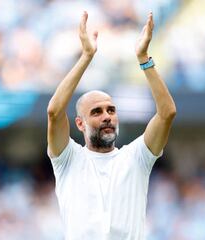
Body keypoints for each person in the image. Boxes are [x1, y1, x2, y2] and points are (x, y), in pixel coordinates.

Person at [47, 11, 176, 240]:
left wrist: (144, 59)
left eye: (111, 110)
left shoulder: (137, 157)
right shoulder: (67, 159)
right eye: (96, 112)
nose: (107, 116)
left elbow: (167, 113)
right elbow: (54, 112)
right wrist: (86, 57)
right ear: (80, 123)